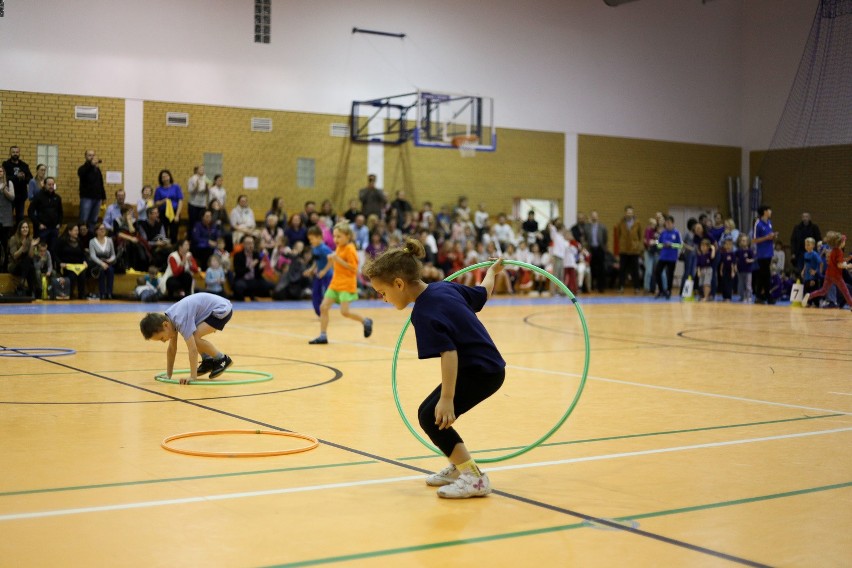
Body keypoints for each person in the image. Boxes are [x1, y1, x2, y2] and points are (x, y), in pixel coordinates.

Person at [363, 238, 506, 499]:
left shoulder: (424, 312)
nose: (382, 299)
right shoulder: (445, 288)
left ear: (399, 284)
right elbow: (483, 294)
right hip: (484, 367)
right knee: (429, 413)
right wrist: (491, 273)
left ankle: (474, 479)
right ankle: (458, 465)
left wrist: (448, 398)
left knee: (432, 415)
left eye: (382, 293)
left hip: (482, 372)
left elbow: (449, 352)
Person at [139, 292, 234, 384]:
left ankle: (222, 359)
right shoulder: (170, 320)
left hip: (221, 309)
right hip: (213, 308)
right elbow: (172, 349)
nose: (163, 341)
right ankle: (208, 360)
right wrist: (168, 375)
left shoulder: (180, 320)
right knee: (194, 336)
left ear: (165, 325)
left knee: (195, 338)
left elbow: (192, 349)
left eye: (161, 338)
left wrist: (193, 377)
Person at [309, 222, 372, 344]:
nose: (335, 239)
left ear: (348, 236)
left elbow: (354, 268)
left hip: (346, 285)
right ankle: (323, 335)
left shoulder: (350, 249)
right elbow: (334, 262)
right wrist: (325, 270)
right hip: (335, 283)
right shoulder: (339, 248)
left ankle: (365, 321)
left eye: (339, 236)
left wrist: (337, 259)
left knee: (345, 312)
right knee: (323, 307)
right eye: (334, 236)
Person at [804, 231, 852, 310]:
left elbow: (836, 261)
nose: (845, 243)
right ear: (841, 242)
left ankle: (810, 295)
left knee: (823, 291)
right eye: (844, 241)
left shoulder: (833, 250)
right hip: (836, 276)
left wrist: (846, 259)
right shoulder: (839, 251)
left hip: (828, 274)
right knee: (845, 291)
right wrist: (847, 266)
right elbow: (839, 265)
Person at [232, 235, 272, 301]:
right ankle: (243, 301)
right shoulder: (238, 256)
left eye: (252, 243)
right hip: (242, 279)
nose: (251, 245)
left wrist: (261, 268)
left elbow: (258, 274)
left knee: (270, 286)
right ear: (244, 245)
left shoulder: (256, 255)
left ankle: (255, 298)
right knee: (239, 286)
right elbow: (238, 272)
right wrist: (250, 267)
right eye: (248, 243)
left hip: (254, 280)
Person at [54, 224, 89, 300]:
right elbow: (55, 254)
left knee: (82, 273)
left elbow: (83, 254)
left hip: (78, 266)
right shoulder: (62, 241)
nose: (77, 232)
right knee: (72, 275)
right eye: (75, 230)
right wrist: (60, 263)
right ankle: (69, 294)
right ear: (69, 231)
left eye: (77, 230)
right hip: (66, 266)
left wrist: (84, 261)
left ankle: (81, 295)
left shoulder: (79, 241)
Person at [27, 176, 63, 249]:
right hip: (42, 229)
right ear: (44, 185)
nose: (51, 186)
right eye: (49, 184)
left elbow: (61, 212)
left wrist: (59, 223)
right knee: (41, 251)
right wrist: (38, 224)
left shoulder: (57, 198)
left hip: (54, 229)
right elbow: (30, 211)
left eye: (53, 184)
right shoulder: (38, 196)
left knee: (53, 250)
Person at [613, 205, 642, 293]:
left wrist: (636, 243)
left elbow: (639, 235)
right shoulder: (620, 223)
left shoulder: (638, 223)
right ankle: (620, 287)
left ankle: (637, 287)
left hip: (634, 250)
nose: (629, 214)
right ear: (625, 213)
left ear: (633, 213)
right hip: (624, 249)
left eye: (631, 212)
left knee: (635, 270)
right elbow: (618, 235)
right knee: (622, 270)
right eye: (628, 212)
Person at [305, 225, 333, 316]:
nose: (311, 241)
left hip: (327, 275)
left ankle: (324, 311)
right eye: (309, 239)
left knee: (326, 295)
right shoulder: (314, 248)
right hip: (319, 274)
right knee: (315, 293)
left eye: (312, 239)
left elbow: (331, 261)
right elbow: (317, 261)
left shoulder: (325, 249)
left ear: (319, 237)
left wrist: (324, 271)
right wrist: (311, 269)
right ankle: (319, 312)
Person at [752, 205, 777, 305]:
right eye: (769, 210)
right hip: (762, 254)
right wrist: (767, 237)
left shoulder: (769, 223)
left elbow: (769, 237)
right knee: (765, 275)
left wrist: (773, 236)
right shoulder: (758, 224)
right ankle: (767, 296)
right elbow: (754, 240)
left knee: (764, 275)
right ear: (765, 212)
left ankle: (759, 296)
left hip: (769, 252)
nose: (771, 211)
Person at [2, 146, 33, 225]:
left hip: (21, 196)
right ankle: (8, 236)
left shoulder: (24, 165)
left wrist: (24, 177)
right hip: (9, 196)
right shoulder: (6, 164)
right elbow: (4, 178)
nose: (15, 154)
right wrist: (16, 177)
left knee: (20, 218)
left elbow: (30, 179)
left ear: (19, 153)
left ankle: (18, 235)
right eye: (13, 152)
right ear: (10, 153)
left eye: (17, 152)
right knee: (7, 218)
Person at [7, 220, 38, 296]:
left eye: (26, 227)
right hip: (14, 265)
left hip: (25, 267)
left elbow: (31, 256)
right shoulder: (13, 239)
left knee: (30, 264)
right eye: (23, 227)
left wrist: (32, 246)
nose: (25, 229)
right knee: (29, 264)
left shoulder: (30, 239)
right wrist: (22, 247)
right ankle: (30, 288)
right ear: (19, 229)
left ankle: (30, 290)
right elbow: (14, 256)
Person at [653, 215, 681, 299]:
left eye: (669, 223)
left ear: (673, 223)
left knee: (670, 274)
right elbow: (658, 245)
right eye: (667, 223)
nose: (668, 225)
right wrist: (663, 245)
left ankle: (669, 290)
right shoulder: (663, 232)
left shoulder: (676, 233)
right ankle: (661, 290)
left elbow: (680, 245)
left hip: (672, 257)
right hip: (663, 256)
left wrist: (672, 245)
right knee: (657, 272)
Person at [77, 150, 106, 229]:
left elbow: (101, 183)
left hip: (97, 198)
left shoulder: (97, 169)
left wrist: (103, 197)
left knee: (93, 220)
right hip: (87, 198)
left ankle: (91, 237)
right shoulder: (82, 168)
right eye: (89, 155)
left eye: (93, 155)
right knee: (84, 220)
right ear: (85, 157)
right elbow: (82, 174)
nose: (92, 157)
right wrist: (90, 165)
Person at [89, 222, 117, 299]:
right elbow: (92, 256)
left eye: (104, 229)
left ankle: (109, 293)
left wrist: (109, 260)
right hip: (97, 263)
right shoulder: (92, 241)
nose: (103, 230)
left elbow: (113, 255)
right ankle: (102, 293)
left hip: (108, 262)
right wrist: (101, 263)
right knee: (101, 271)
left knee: (110, 270)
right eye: (101, 229)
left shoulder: (109, 240)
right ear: (96, 231)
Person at [154, 169, 184, 242]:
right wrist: (163, 201)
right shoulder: (158, 189)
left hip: (174, 212)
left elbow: (180, 201)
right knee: (164, 233)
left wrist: (177, 215)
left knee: (174, 232)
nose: (165, 178)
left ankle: (173, 249)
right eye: (163, 177)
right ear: (161, 179)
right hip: (163, 213)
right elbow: (156, 203)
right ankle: (165, 250)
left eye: (166, 176)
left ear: (170, 176)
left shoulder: (176, 187)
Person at [584, 210, 608, 293]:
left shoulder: (602, 227)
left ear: (597, 217)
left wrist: (603, 247)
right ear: (591, 216)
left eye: (595, 215)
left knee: (601, 269)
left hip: (600, 249)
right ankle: (590, 287)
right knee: (591, 268)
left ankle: (601, 287)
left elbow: (605, 238)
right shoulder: (587, 227)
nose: (594, 217)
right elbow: (585, 238)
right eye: (592, 215)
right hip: (591, 249)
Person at [186, 165, 210, 232]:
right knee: (192, 223)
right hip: (193, 204)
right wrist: (196, 187)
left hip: (202, 204)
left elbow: (208, 192)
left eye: (203, 169)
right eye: (200, 169)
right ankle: (190, 239)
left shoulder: (206, 178)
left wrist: (206, 187)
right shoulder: (192, 178)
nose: (202, 170)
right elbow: (190, 191)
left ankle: (200, 237)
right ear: (197, 170)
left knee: (201, 222)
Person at [0, 168, 14, 272]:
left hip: (6, 219)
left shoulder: (9, 183)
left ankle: (5, 267)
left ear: (4, 173)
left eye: (1, 171)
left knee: (5, 244)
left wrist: (4, 190)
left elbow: (12, 197)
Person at [735, 233, 755, 303]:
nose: (743, 242)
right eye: (742, 240)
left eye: (745, 240)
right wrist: (735, 267)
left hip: (748, 270)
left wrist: (749, 260)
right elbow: (735, 260)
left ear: (748, 242)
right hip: (740, 270)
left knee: (748, 285)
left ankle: (749, 297)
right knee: (741, 285)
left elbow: (753, 259)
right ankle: (742, 297)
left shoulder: (749, 251)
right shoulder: (738, 251)